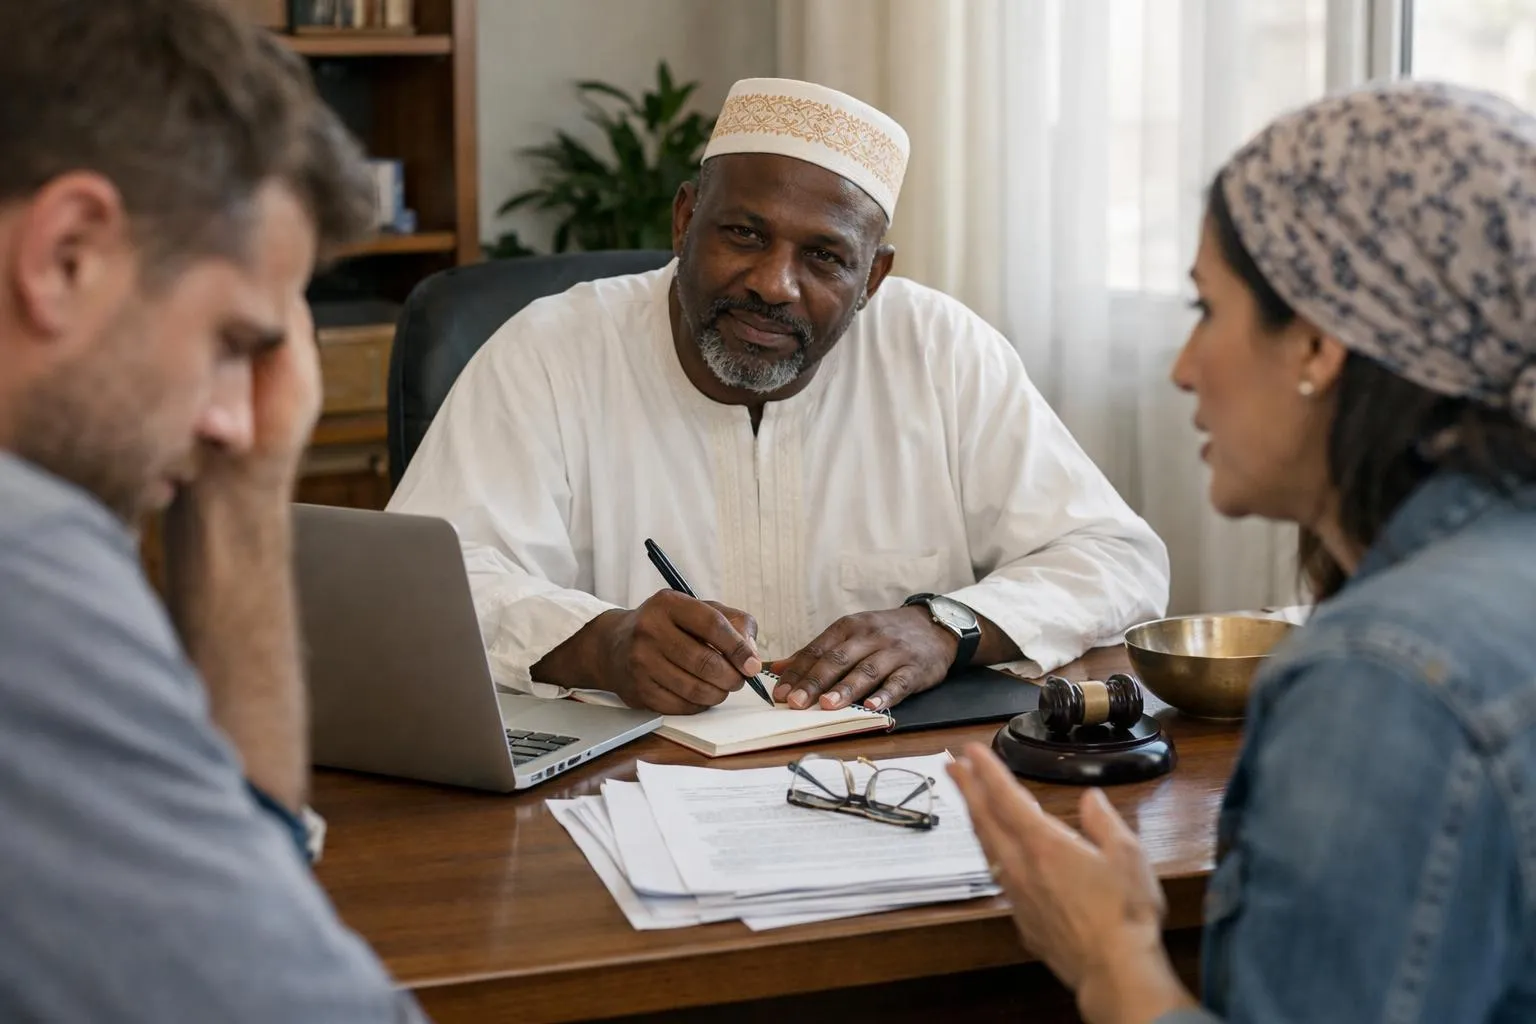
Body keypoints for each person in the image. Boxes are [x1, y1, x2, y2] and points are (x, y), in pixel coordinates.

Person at [950, 80, 1536, 1023]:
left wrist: (1110, 961)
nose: (1182, 367)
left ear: (1315, 343)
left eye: (1206, 309)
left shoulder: (1383, 676)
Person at [389, 77, 1170, 716]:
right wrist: (598, 642)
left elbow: (1115, 559)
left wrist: (947, 627)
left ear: (873, 279)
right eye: (745, 235)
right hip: (624, 790)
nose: (773, 285)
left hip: (892, 782)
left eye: (825, 257)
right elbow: (428, 583)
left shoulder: (942, 350)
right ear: (687, 218)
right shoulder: (551, 349)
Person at [0, 2, 428, 1019]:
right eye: (234, 341)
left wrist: (239, 496)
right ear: (67, 254)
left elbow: (240, 889)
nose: (243, 418)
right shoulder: (26, 567)